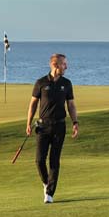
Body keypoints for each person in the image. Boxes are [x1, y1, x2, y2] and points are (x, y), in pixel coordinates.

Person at [26, 53, 80, 204]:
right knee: (39, 160)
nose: (66, 67)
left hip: (59, 126)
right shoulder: (41, 83)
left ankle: (49, 193)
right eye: (64, 64)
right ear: (55, 65)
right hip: (42, 127)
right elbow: (33, 104)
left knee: (54, 160)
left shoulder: (67, 83)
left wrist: (75, 122)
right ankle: (46, 183)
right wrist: (28, 123)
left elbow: (71, 105)